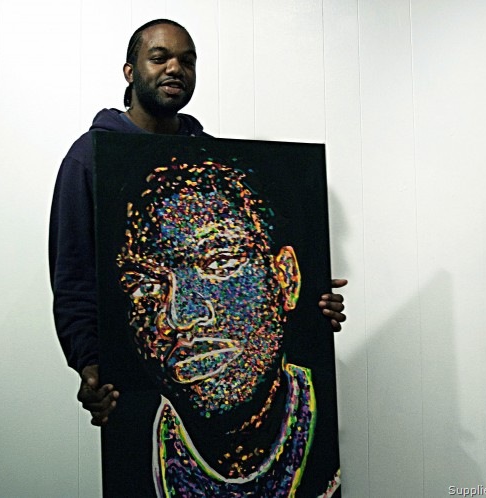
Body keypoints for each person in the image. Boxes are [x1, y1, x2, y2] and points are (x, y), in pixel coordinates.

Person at [49, 17, 346, 434]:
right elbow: (74, 277)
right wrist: (90, 363)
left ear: (286, 276)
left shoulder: (214, 159)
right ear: (130, 72)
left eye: (187, 61)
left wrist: (315, 300)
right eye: (159, 58)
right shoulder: (89, 159)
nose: (175, 68)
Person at [116, 161, 340, 496]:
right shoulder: (123, 456)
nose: (180, 317)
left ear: (286, 278)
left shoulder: (349, 416)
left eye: (220, 263)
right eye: (146, 286)